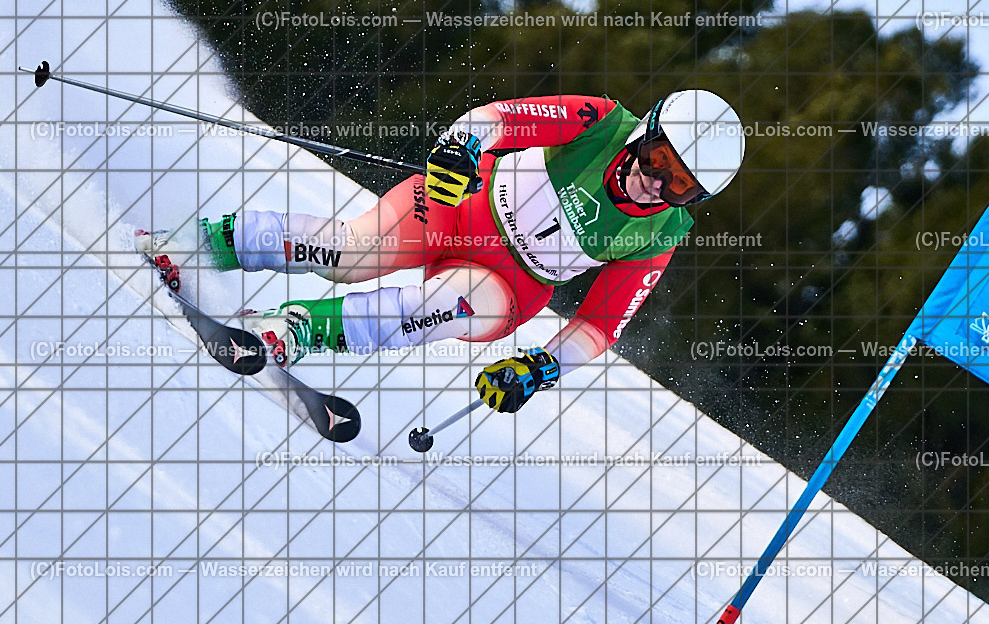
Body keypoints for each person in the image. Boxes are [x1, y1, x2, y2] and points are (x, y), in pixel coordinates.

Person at [137, 91, 745, 414]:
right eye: (661, 162)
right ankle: (197, 247)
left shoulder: (662, 233)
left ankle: (287, 333)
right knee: (347, 254)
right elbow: (496, 119)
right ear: (648, 136)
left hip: (512, 283)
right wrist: (461, 149)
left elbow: (600, 324)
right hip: (464, 206)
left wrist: (542, 367)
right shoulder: (601, 122)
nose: (657, 185)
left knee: (433, 309)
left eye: (682, 185)